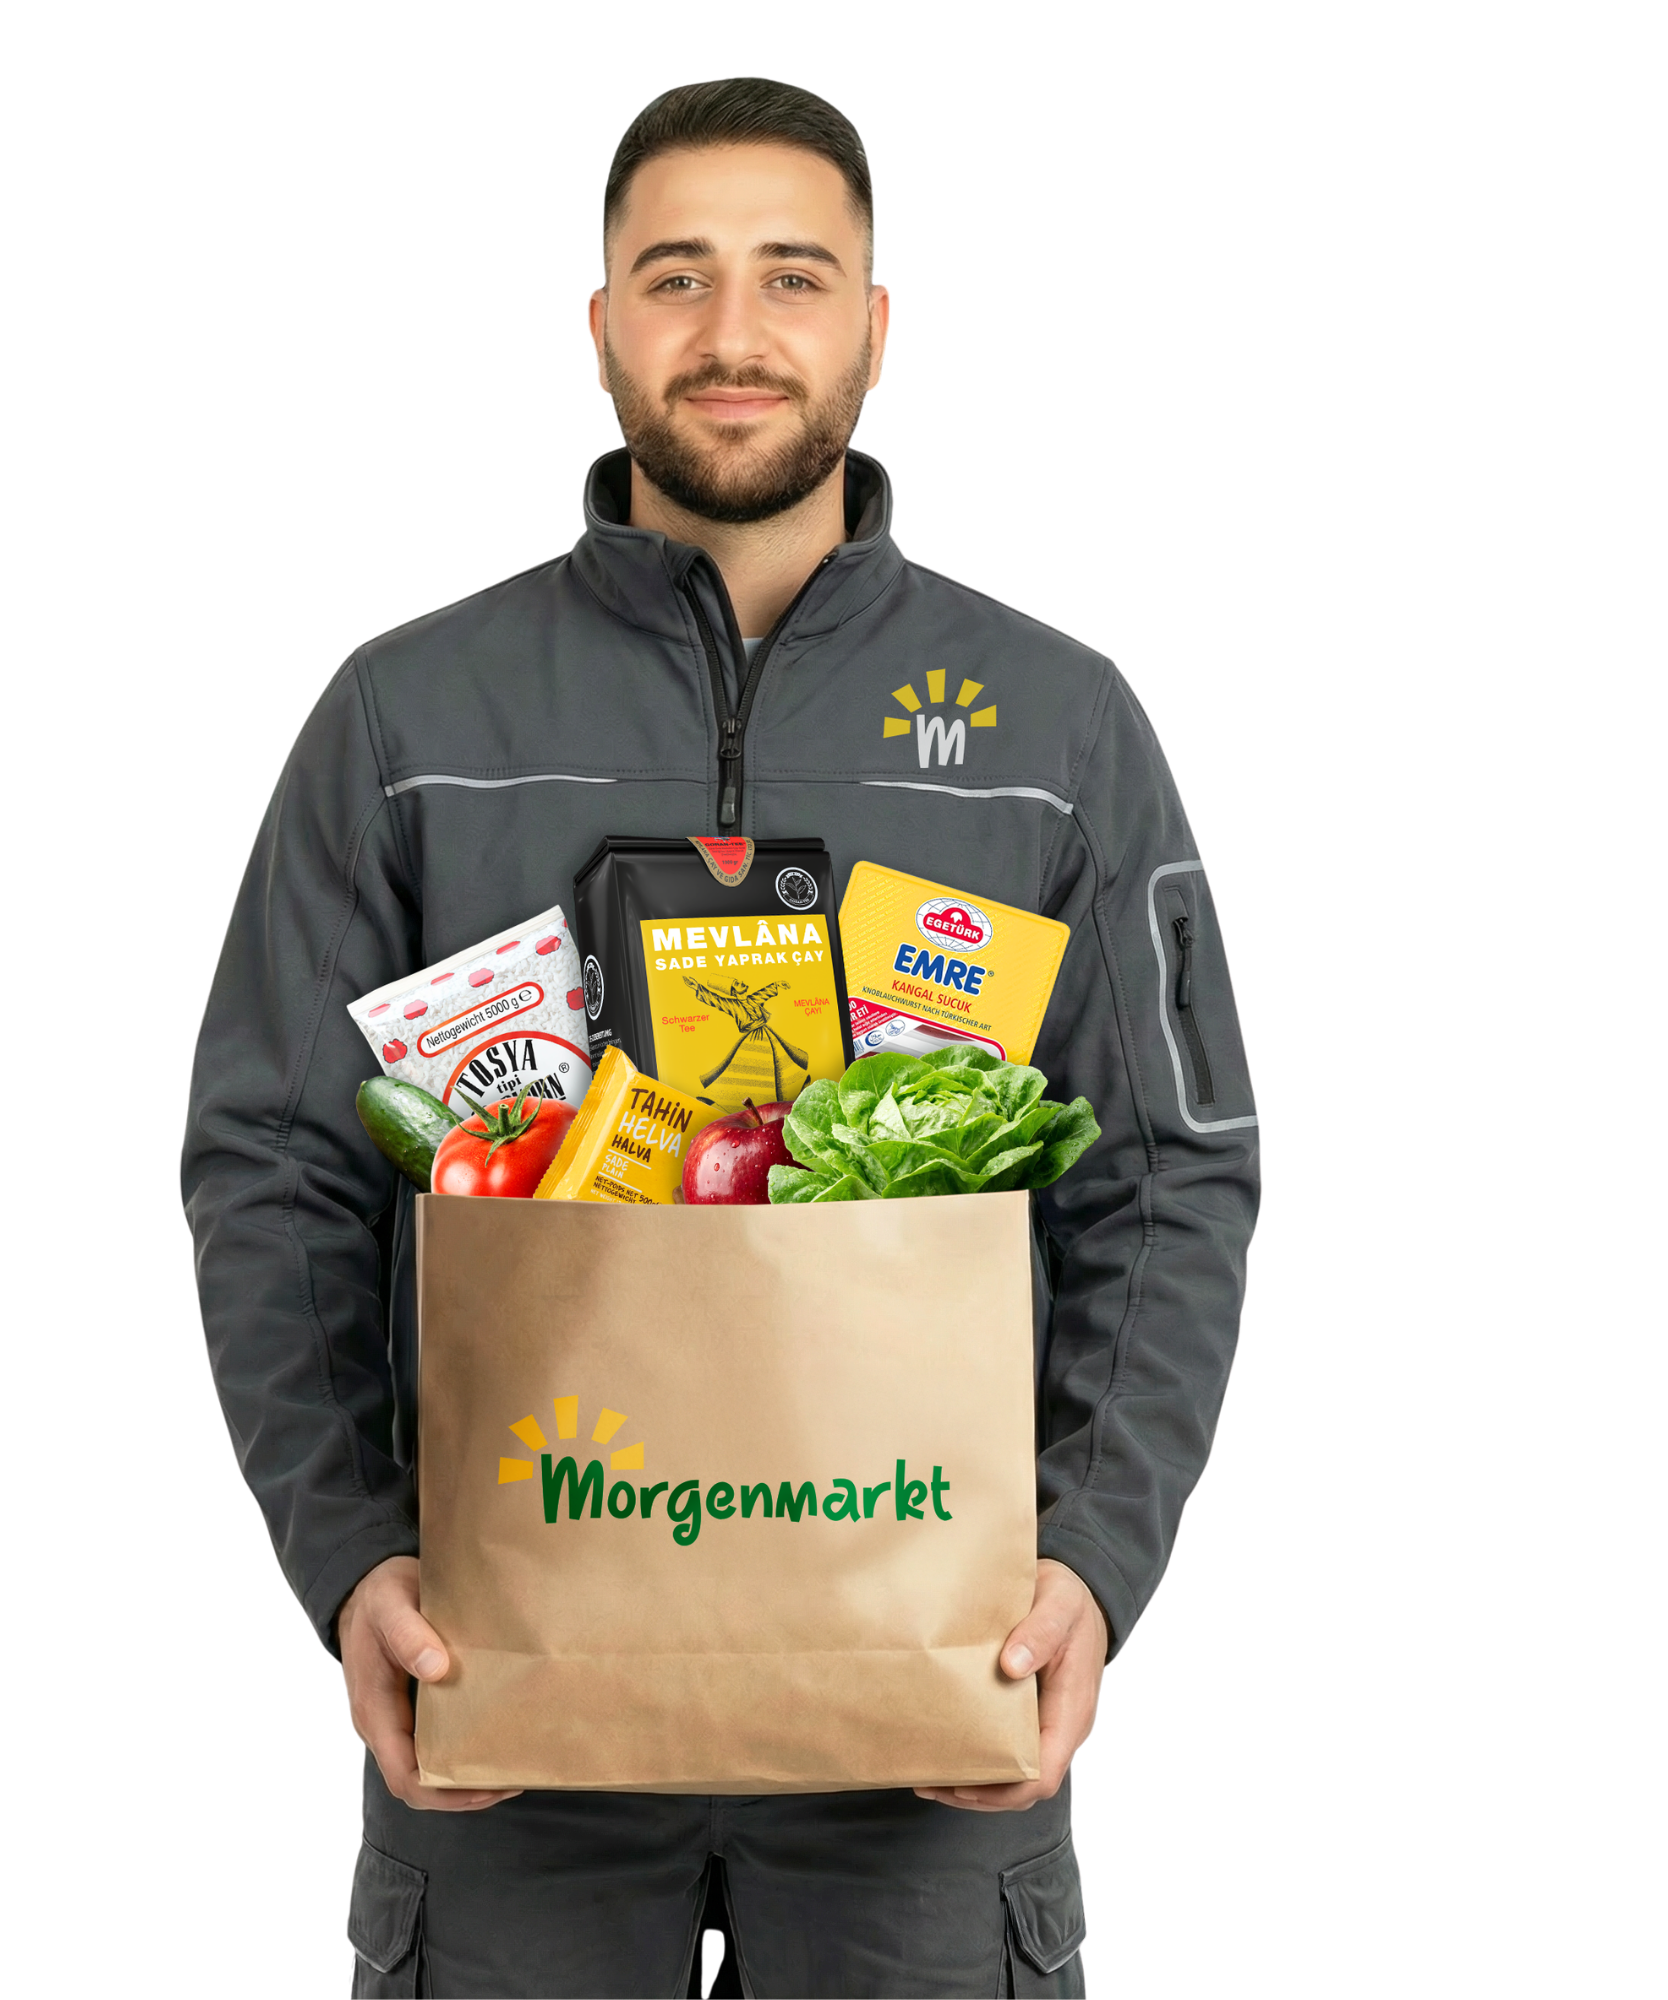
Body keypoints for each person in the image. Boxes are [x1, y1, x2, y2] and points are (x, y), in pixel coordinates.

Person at [181, 76, 1259, 1999]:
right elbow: (266, 1165)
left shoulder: (1062, 723)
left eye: (794, 276)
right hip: (504, 1680)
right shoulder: (402, 716)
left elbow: (1176, 1177)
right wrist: (349, 1558)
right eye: (677, 279)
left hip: (932, 1684)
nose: (735, 333)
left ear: (878, 329)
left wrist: (1092, 1564)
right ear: (599, 329)